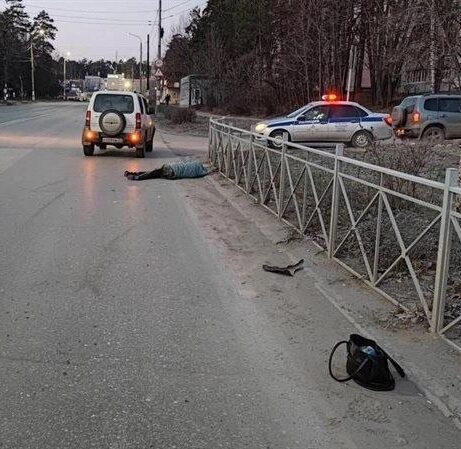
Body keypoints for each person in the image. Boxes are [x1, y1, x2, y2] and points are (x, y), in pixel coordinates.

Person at [124, 159, 209, 181]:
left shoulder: (194, 165)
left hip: (172, 169)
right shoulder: (198, 172)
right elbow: (204, 173)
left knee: (154, 173)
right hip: (173, 174)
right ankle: (135, 174)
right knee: (154, 173)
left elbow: (186, 161)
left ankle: (136, 177)